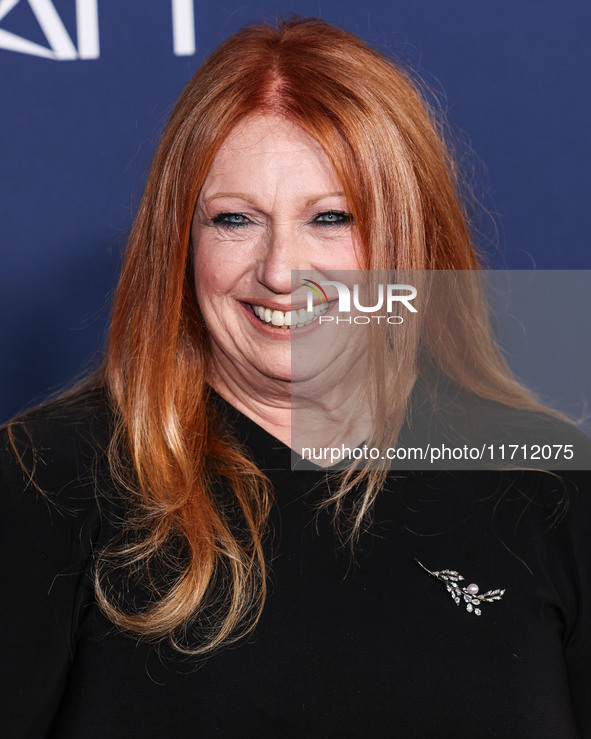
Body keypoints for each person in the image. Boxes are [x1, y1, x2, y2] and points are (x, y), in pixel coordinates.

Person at [1, 17, 590, 738]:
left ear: (409, 236)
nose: (281, 271)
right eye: (235, 219)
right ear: (178, 242)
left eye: (332, 217)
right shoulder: (39, 482)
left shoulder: (551, 485)